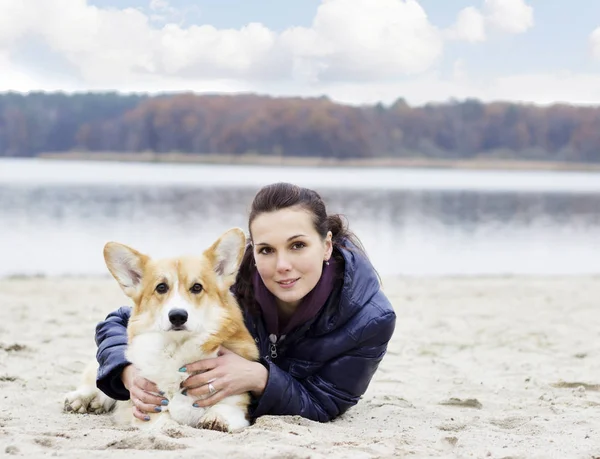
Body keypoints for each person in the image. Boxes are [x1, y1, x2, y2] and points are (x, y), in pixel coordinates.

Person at [95, 182, 396, 423]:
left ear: (326, 245)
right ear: (253, 251)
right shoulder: (223, 286)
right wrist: (126, 371)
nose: (282, 265)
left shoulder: (370, 319)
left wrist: (260, 377)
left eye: (298, 245)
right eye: (266, 250)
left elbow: (324, 404)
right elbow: (119, 321)